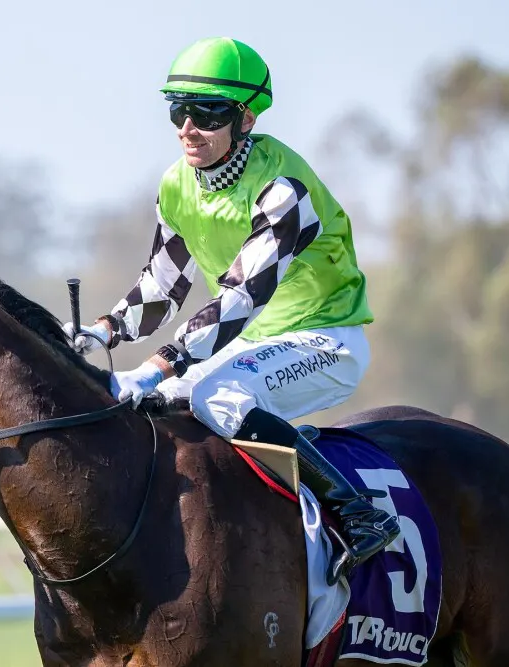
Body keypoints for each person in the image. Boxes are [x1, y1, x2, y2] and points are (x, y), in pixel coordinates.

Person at [63, 37, 400, 585]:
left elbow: (241, 299)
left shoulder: (284, 189)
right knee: (157, 402)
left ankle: (356, 512)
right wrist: (102, 332)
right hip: (255, 340)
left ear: (246, 118)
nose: (188, 128)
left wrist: (157, 364)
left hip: (325, 339)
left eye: (208, 113)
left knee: (212, 395)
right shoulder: (176, 184)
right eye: (179, 110)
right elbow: (162, 286)